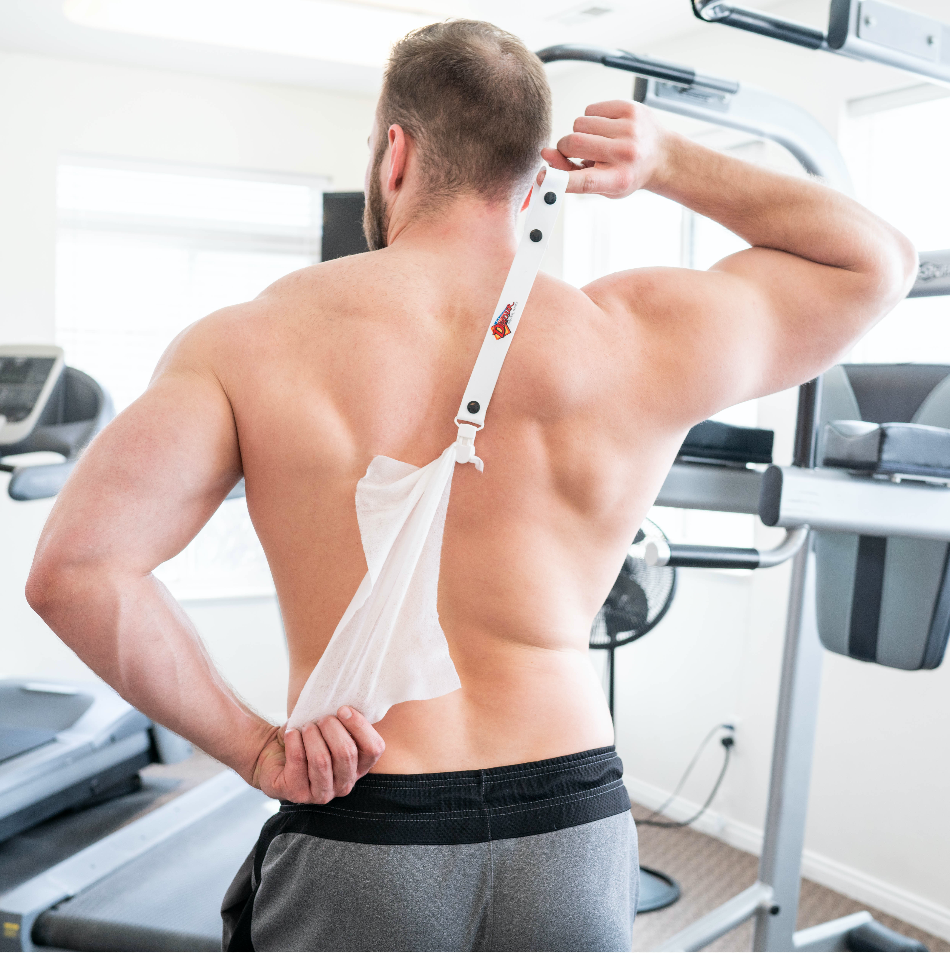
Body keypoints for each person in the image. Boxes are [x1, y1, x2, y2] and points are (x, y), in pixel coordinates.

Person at [26, 18, 915, 953]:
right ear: (535, 173)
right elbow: (875, 262)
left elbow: (76, 572)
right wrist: (668, 161)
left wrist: (256, 747)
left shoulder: (250, 341)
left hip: (366, 821)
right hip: (570, 825)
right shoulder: (633, 333)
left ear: (395, 153)